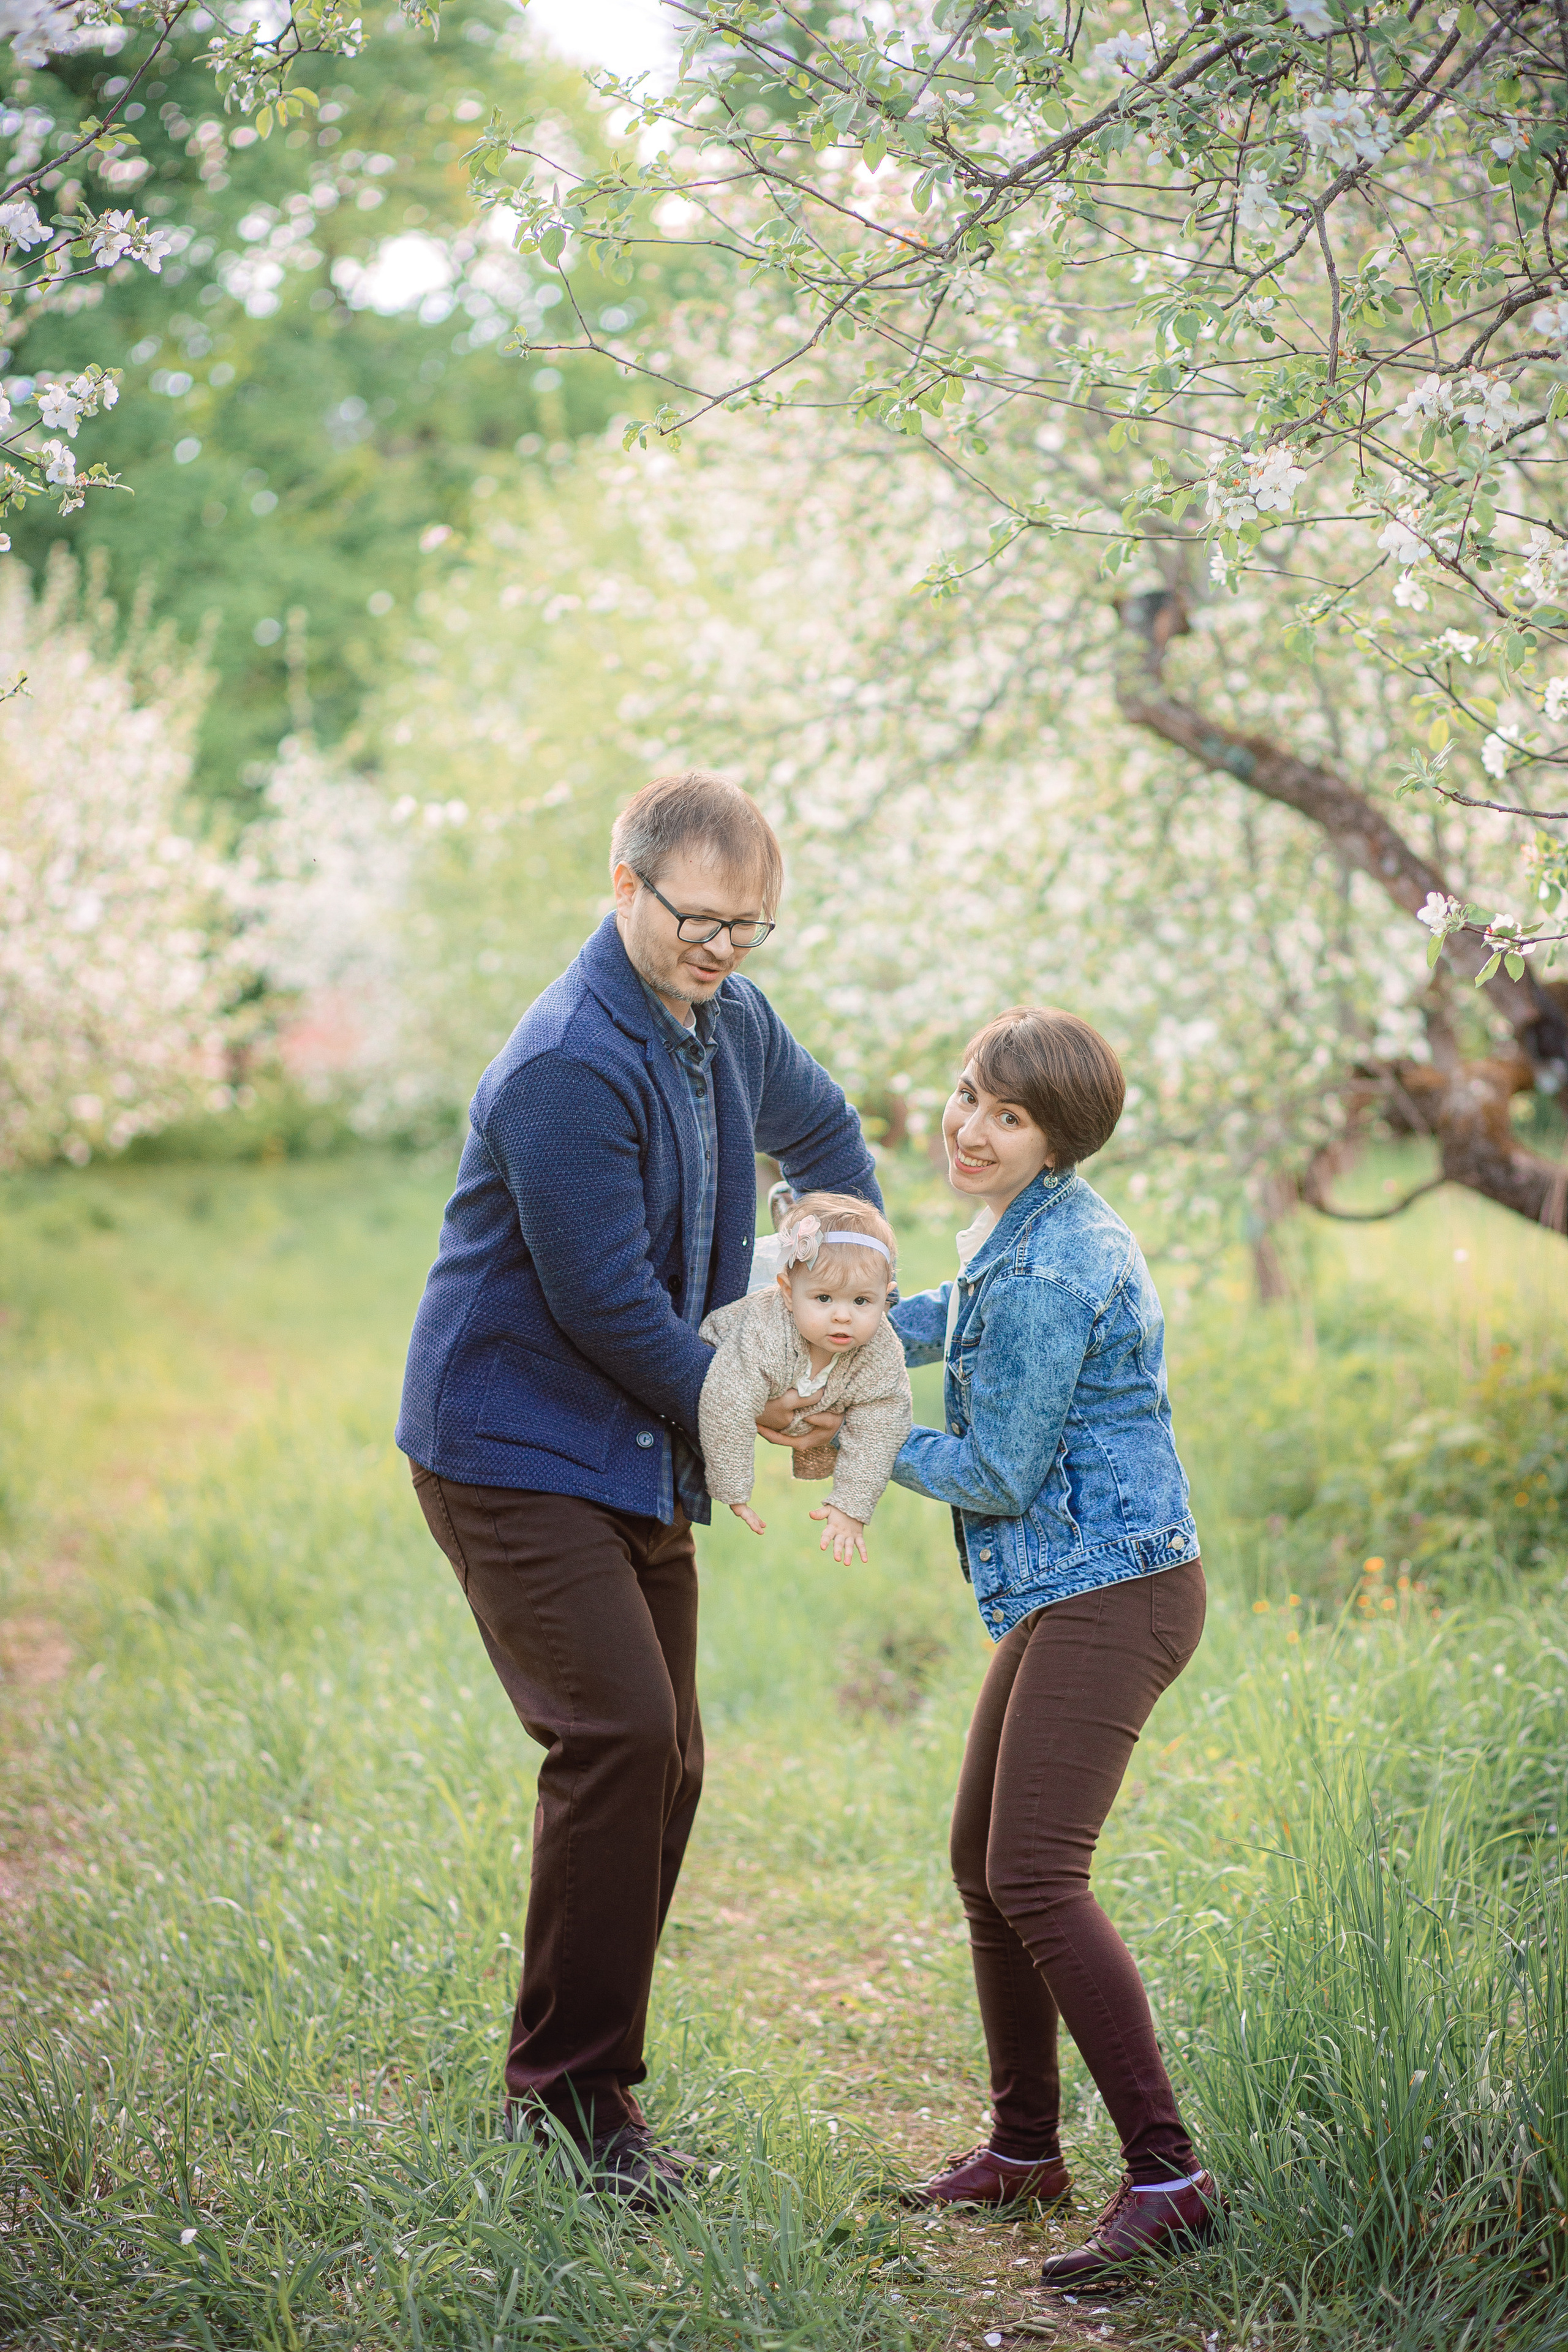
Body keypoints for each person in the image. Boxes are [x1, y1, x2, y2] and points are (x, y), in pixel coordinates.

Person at [396, 770, 879, 2208]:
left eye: (750, 925)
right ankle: (559, 2107)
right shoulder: (565, 1061)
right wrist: (761, 1399)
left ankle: (590, 2089)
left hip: (632, 1443)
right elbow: (604, 1301)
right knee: (614, 1736)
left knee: (666, 1759)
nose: (722, 947)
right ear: (623, 887)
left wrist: (836, 1302)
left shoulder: (725, 1020)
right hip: (507, 1442)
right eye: (699, 917)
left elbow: (830, 1138)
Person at [886, 1006, 1220, 2285]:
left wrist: (851, 1445)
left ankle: (1170, 2176)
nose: (969, 1126)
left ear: (1055, 1138)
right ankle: (1024, 2151)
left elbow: (997, 1468)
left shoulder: (1043, 1262)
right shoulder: (1023, 1225)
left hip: (1115, 1591)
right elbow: (948, 1314)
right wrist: (837, 1322)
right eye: (968, 1092)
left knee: (1034, 1873)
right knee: (982, 1864)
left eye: (1005, 1115)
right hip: (1079, 1585)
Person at [698, 1192, 913, 1565]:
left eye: (862, 1301)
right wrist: (732, 1486)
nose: (843, 1316)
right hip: (726, 1374)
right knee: (733, 1394)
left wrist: (852, 1506)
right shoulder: (764, 1335)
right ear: (788, 1293)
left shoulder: (880, 1349)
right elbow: (726, 1400)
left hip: (805, 1387)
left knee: (871, 1409)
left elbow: (883, 1425)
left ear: (886, 1298)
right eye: (824, 1298)